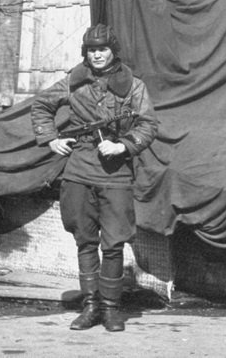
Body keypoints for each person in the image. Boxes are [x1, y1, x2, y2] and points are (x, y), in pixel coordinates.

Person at [31, 23, 158, 332]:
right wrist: (51, 139)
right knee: (85, 240)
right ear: (85, 53)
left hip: (115, 174)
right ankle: (90, 307)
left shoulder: (133, 85)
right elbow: (41, 106)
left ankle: (112, 309)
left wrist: (122, 146)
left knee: (113, 243)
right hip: (78, 170)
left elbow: (148, 125)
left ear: (113, 51)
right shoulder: (73, 82)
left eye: (103, 49)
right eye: (92, 50)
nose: (97, 55)